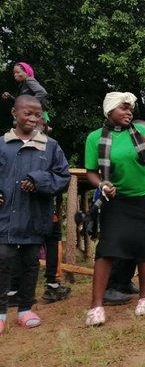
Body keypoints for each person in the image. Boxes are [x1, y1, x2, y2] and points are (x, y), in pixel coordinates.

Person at [84, 92, 145, 326]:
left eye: (130, 108)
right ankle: (96, 306)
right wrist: (102, 184)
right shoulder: (94, 138)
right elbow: (91, 171)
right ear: (109, 111)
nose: (129, 112)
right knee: (107, 248)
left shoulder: (142, 133)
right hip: (115, 198)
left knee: (144, 248)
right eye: (123, 108)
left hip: (142, 197)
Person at [0, 95, 70, 333]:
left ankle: (25, 308)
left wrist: (38, 181)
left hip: (34, 216)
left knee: (31, 263)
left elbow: (62, 176)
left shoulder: (50, 146)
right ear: (14, 113)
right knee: (3, 260)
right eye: (27, 113)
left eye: (37, 114)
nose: (32, 118)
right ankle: (0, 312)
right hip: (5, 218)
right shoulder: (2, 144)